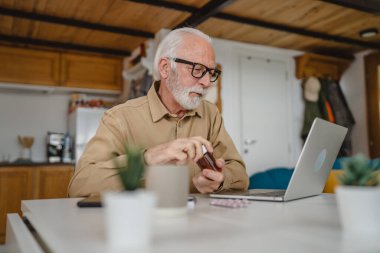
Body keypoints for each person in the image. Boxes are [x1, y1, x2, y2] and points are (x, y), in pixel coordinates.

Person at [68, 28, 249, 197]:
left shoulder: (211, 114)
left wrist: (220, 181)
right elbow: (79, 186)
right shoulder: (119, 118)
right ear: (165, 68)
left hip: (199, 227)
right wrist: (148, 159)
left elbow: (240, 174)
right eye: (198, 69)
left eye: (210, 72)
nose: (207, 82)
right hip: (141, 227)